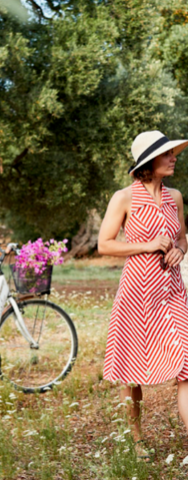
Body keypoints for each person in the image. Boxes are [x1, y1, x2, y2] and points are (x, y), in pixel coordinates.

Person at [98, 130, 188, 458]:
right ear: (149, 162)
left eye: (173, 153)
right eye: (167, 154)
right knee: (132, 370)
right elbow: (104, 244)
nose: (174, 157)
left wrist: (179, 249)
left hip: (173, 291)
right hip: (137, 294)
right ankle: (136, 441)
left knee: (187, 363)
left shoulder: (175, 197)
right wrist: (148, 245)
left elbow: (183, 238)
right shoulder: (124, 198)